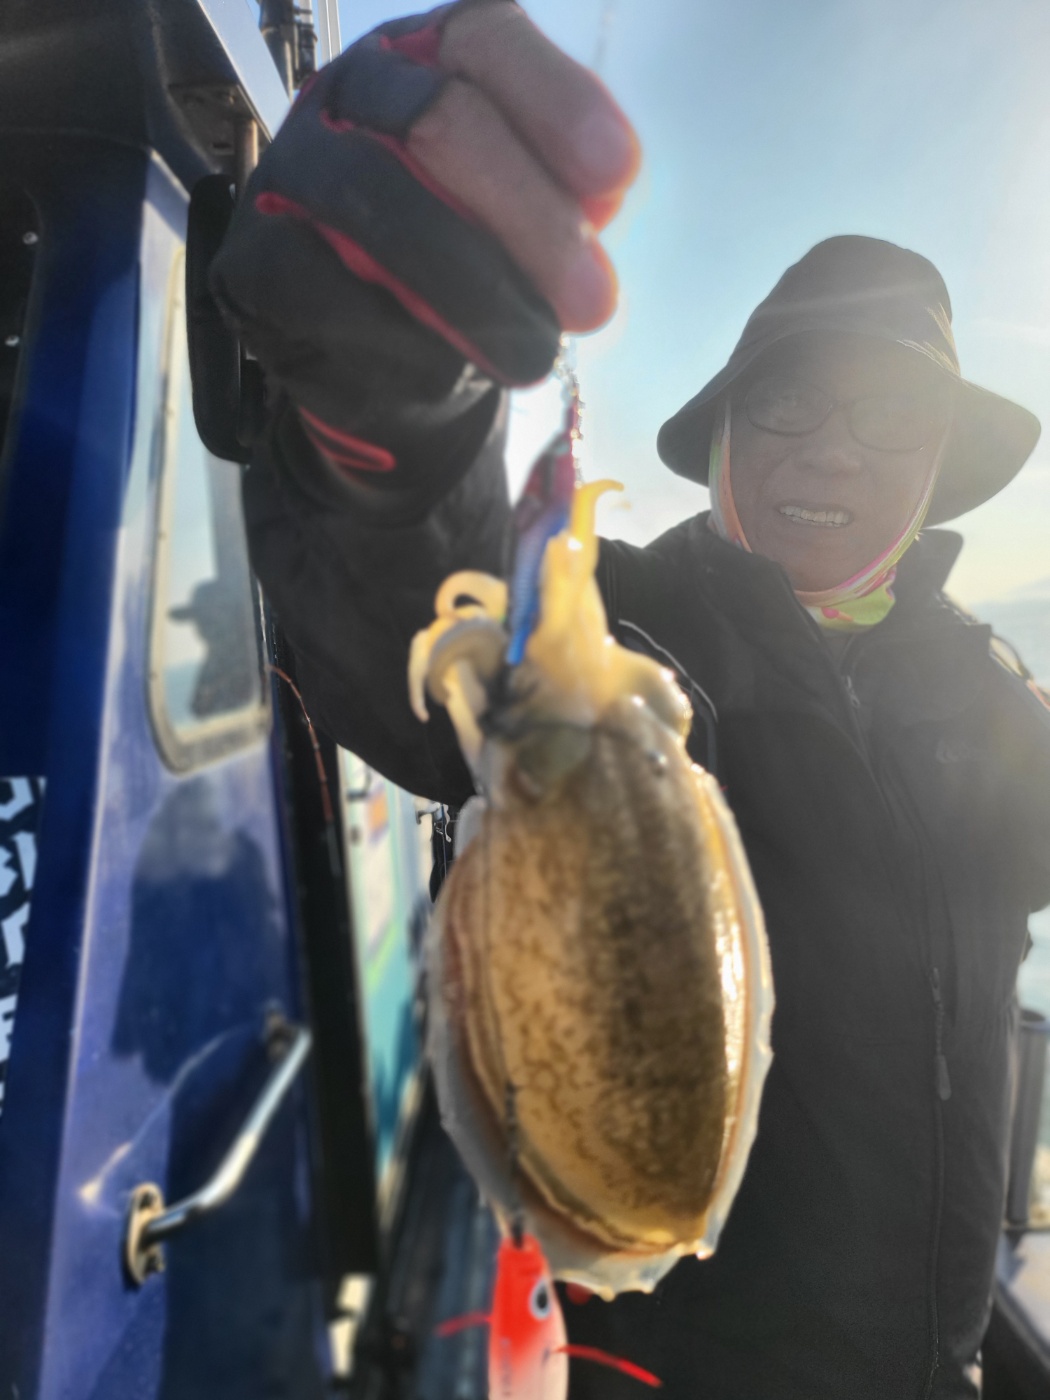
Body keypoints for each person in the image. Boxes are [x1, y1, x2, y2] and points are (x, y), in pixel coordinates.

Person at [210, 3, 1050, 1395]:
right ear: (721, 432)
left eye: (892, 418)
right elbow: (421, 631)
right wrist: (384, 417)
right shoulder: (627, 624)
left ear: (935, 469)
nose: (831, 452)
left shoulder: (996, 700)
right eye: (786, 403)